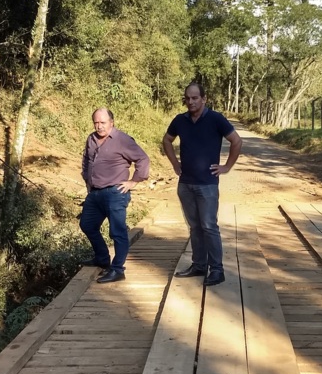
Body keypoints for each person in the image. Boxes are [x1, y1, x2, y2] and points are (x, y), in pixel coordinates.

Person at [162, 81, 242, 286]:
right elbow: (167, 140)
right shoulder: (180, 120)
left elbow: (236, 141)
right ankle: (199, 265)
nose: (191, 101)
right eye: (187, 98)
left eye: (195, 98)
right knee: (195, 226)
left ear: (204, 99)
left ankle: (217, 270)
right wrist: (174, 163)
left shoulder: (216, 119)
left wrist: (226, 167)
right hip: (185, 184)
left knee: (209, 226)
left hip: (207, 185)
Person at [80, 108, 149, 284]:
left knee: (117, 232)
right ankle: (102, 258)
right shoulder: (91, 139)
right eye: (96, 122)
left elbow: (143, 159)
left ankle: (118, 269)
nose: (99, 126)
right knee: (87, 224)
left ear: (112, 122)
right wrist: (88, 181)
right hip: (95, 193)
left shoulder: (123, 140)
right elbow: (87, 160)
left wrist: (134, 181)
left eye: (103, 122)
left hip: (115, 193)